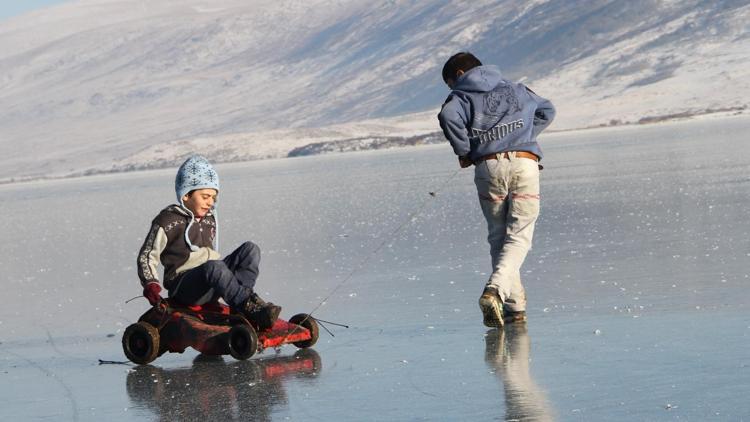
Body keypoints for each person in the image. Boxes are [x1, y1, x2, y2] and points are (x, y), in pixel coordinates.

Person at [437, 52, 555, 327]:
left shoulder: (460, 97)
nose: (451, 90)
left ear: (458, 75)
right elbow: (547, 110)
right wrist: (523, 136)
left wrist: (465, 151)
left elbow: (448, 116)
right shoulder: (516, 88)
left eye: (449, 84)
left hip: (488, 167)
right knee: (519, 236)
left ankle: (511, 305)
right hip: (525, 164)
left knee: (498, 237)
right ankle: (499, 295)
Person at [136, 155, 281, 329]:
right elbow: (146, 256)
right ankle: (247, 306)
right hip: (184, 287)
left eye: (213, 197)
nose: (210, 202)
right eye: (205, 196)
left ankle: (244, 302)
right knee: (214, 266)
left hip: (211, 279)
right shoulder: (167, 221)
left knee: (250, 250)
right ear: (186, 195)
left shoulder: (209, 218)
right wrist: (151, 284)